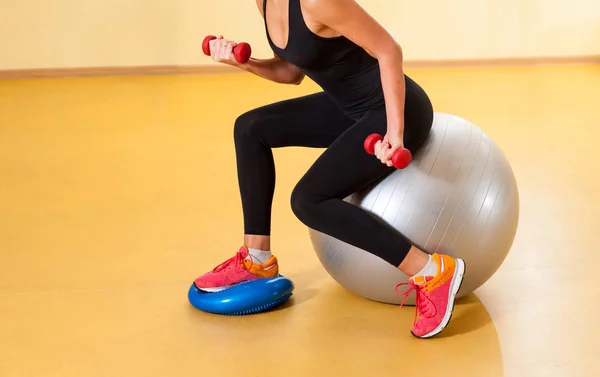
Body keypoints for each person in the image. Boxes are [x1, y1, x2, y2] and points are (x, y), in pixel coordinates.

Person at [194, 0, 465, 338]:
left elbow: (388, 50)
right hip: (350, 107)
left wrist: (395, 133)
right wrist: (243, 61)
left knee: (309, 200)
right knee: (250, 128)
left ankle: (431, 270)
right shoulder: (264, 2)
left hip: (397, 108)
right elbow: (291, 73)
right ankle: (257, 259)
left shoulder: (318, 2)